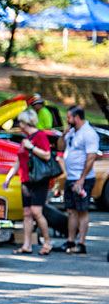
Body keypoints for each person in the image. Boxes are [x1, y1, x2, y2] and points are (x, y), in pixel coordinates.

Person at [2, 109, 53, 255]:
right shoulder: (26, 138)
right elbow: (19, 159)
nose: (19, 125)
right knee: (27, 213)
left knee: (37, 212)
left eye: (21, 122)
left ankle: (47, 242)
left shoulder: (39, 136)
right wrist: (9, 177)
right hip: (26, 180)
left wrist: (32, 148)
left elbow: (47, 155)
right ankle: (27, 244)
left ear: (26, 122)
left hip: (38, 180)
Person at [52, 106, 99, 254]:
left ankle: (82, 243)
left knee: (82, 211)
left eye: (69, 117)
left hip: (83, 179)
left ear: (77, 117)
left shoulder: (89, 133)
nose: (67, 120)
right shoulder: (72, 132)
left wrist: (82, 179)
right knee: (71, 211)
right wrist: (62, 135)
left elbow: (91, 157)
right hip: (71, 177)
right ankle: (70, 241)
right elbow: (60, 147)